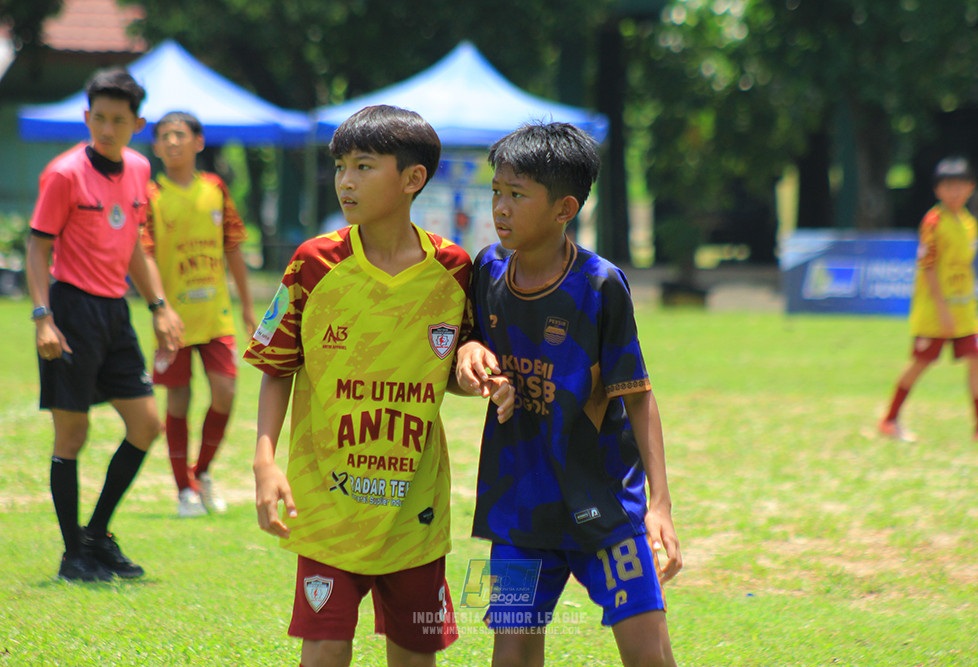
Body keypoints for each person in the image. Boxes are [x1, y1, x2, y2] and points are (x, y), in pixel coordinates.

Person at [244, 105, 471, 667]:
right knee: (322, 650)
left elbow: (460, 364)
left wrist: (472, 363)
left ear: (413, 178)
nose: (346, 180)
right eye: (341, 165)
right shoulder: (313, 264)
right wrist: (264, 463)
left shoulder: (455, 270)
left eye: (364, 166)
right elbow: (277, 367)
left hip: (413, 512)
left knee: (417, 653)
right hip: (328, 508)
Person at [455, 122, 683, 667]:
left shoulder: (600, 285)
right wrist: (471, 358)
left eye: (517, 195)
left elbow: (638, 394)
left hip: (603, 503)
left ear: (564, 208)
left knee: (647, 651)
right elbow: (468, 342)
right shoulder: (486, 270)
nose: (500, 208)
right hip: (518, 508)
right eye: (496, 192)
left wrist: (660, 503)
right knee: (510, 656)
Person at [26, 68, 184, 582]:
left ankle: (96, 536)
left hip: (115, 312)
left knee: (146, 425)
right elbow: (38, 245)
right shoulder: (64, 173)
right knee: (72, 433)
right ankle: (74, 555)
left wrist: (159, 304)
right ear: (86, 116)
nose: (108, 129)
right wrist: (42, 317)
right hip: (70, 310)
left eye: (119, 120)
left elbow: (134, 244)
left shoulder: (139, 170)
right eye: (99, 118)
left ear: (138, 122)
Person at [142, 111, 256, 517]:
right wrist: (160, 308)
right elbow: (145, 255)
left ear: (198, 142)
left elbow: (234, 247)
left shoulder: (215, 189)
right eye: (165, 136)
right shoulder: (151, 195)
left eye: (180, 135)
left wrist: (246, 307)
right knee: (178, 401)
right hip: (174, 318)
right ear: (155, 146)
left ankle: (201, 472)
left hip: (216, 315)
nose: (173, 142)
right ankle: (183, 491)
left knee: (225, 391)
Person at [879, 156, 978, 443]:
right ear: (938, 190)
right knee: (921, 363)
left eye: (960, 186)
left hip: (964, 310)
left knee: (976, 360)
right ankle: (889, 420)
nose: (955, 192)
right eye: (948, 186)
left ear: (971, 188)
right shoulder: (934, 222)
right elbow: (928, 266)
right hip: (936, 309)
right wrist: (942, 309)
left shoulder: (969, 223)